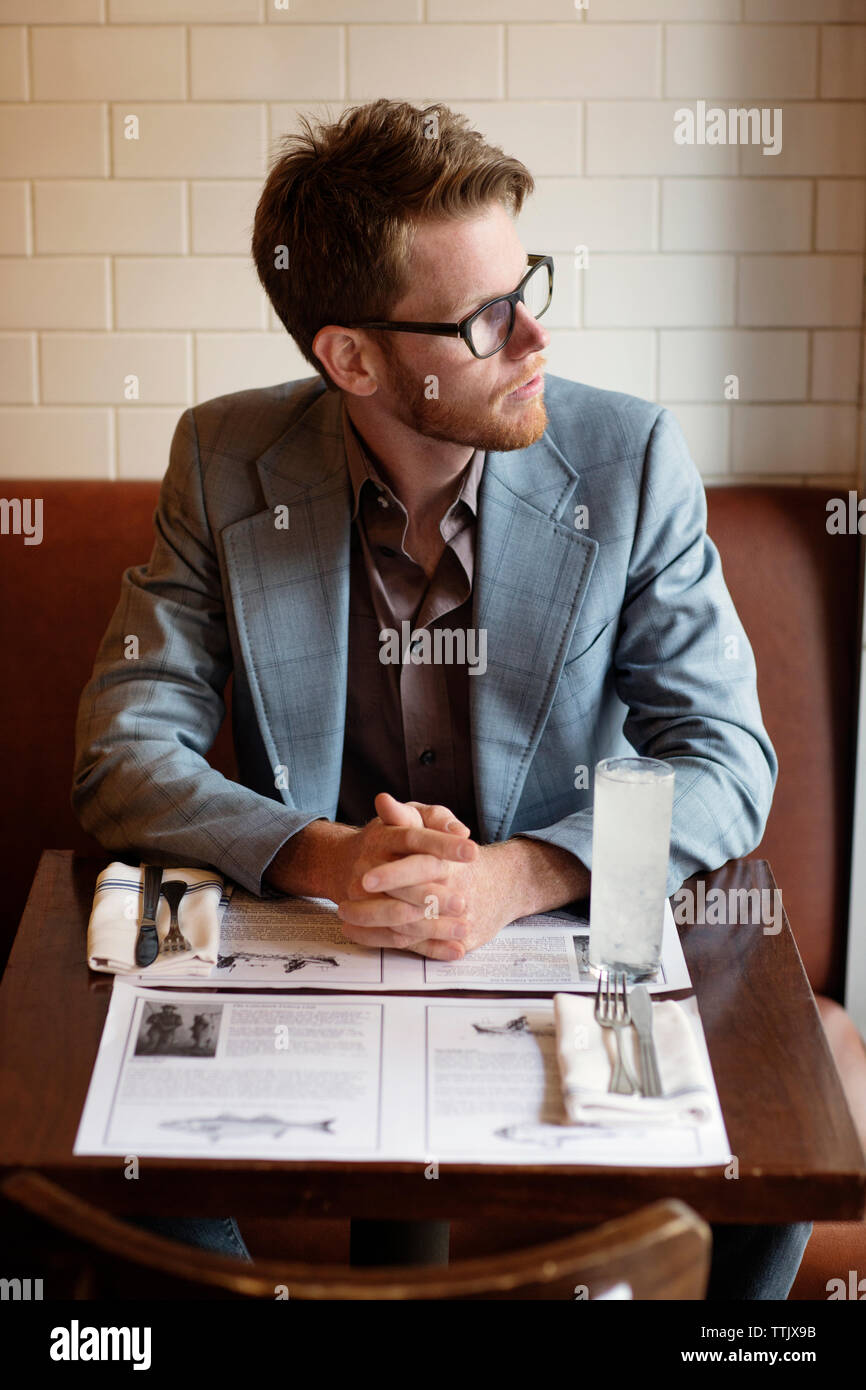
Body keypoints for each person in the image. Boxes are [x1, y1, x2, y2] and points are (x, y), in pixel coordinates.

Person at [71, 98, 809, 1298]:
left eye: (529, 286)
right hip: (309, 964)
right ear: (351, 359)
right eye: (482, 317)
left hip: (566, 961)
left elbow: (723, 756)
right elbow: (120, 748)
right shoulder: (222, 460)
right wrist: (320, 856)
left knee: (766, 1159)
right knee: (108, 1183)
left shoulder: (628, 464)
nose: (535, 338)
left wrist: (518, 874)